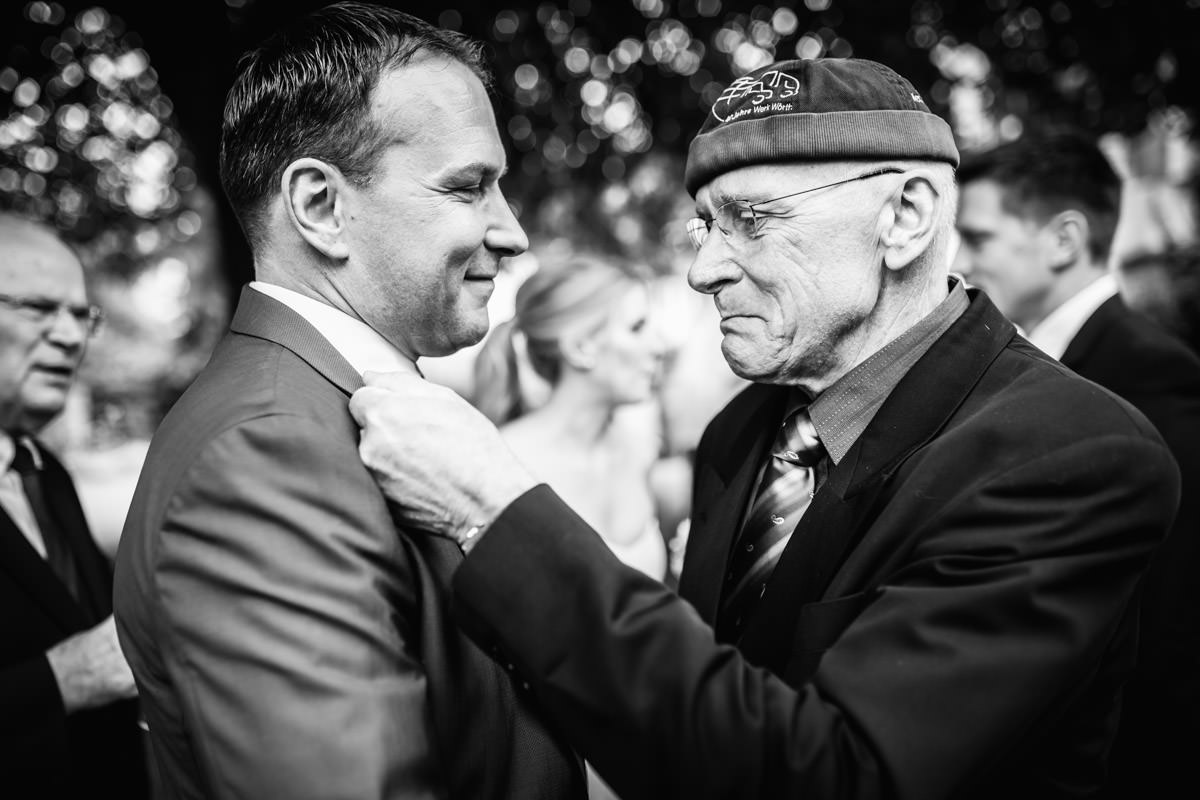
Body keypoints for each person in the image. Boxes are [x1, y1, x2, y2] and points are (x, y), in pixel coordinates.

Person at [349, 57, 1181, 800]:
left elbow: (836, 772)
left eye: (751, 218)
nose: (703, 269)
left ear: (905, 216)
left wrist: (495, 511)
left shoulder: (1067, 454)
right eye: (704, 225)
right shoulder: (743, 430)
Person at [111, 4, 583, 798]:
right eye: (469, 188)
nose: (511, 233)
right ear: (321, 207)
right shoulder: (263, 453)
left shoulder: (343, 401)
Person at [954, 129, 1200, 799]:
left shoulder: (1151, 379)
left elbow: (1167, 629)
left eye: (978, 239)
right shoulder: (1010, 370)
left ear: (1063, 240)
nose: (958, 262)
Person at [0, 213, 148, 799]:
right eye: (37, 307)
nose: (69, 336)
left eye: (82, 314)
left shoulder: (47, 474)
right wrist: (60, 680)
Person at [471, 253, 669, 581]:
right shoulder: (506, 462)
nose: (659, 346)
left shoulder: (638, 450)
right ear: (579, 348)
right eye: (637, 328)